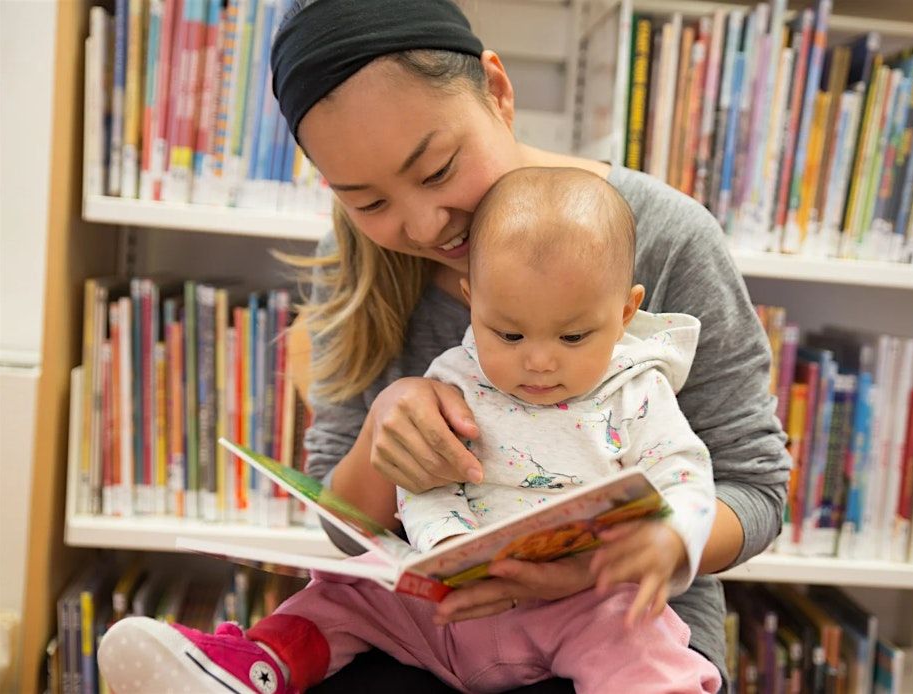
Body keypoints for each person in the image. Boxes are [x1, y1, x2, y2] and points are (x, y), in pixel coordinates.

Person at [102, 0, 790, 691]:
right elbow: (344, 534)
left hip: (622, 623)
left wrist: (637, 552)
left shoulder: (664, 236)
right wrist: (384, 430)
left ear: (497, 91)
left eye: (436, 170)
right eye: (369, 203)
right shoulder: (354, 270)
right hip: (429, 627)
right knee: (325, 612)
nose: (425, 225)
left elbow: (755, 489)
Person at [100, 166, 723, 693]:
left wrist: (673, 537)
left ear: (625, 311)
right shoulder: (454, 379)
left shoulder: (637, 391)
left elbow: (685, 472)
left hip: (575, 605)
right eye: (508, 333)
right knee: (340, 592)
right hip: (441, 607)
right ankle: (252, 668)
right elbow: (424, 483)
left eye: (574, 336)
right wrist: (445, 549)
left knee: (638, 633)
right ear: (472, 299)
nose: (538, 360)